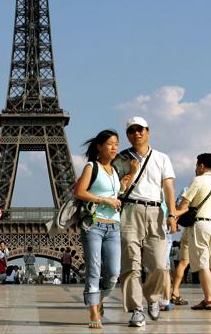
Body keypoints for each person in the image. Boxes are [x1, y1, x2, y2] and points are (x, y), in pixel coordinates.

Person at [112, 117, 177, 328]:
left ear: (148, 132)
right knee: (131, 263)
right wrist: (130, 171)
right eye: (131, 130)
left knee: (159, 265)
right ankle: (136, 309)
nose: (136, 133)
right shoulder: (121, 159)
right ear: (128, 135)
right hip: (130, 210)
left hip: (155, 211)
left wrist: (172, 214)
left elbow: (168, 188)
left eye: (140, 129)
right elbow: (118, 189)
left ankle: (153, 297)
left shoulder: (162, 158)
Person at [75, 129, 123, 329]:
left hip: (113, 226)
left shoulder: (115, 171)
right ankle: (94, 311)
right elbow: (80, 192)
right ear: (99, 146)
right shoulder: (91, 166)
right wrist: (104, 199)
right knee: (94, 270)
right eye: (110, 143)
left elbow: (117, 192)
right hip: (93, 224)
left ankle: (98, 299)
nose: (114, 148)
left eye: (116, 144)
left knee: (113, 272)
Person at [175, 153, 211, 310]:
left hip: (201, 225)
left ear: (201, 166)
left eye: (196, 165)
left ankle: (209, 299)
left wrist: (172, 216)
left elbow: (183, 206)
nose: (195, 169)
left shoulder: (198, 181)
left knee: (203, 264)